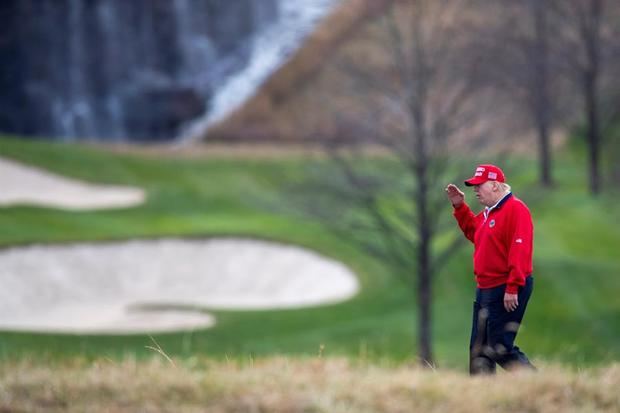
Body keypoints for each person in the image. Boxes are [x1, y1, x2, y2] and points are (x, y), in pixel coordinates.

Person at [445, 164, 536, 374]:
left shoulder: (516, 209)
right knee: (479, 351)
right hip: (486, 288)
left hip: (505, 288)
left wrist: (513, 287)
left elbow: (519, 249)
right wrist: (460, 207)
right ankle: (480, 398)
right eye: (473, 186)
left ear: (495, 185)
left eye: (479, 185)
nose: (475, 190)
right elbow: (474, 233)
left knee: (498, 348)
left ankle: (537, 384)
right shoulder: (490, 213)